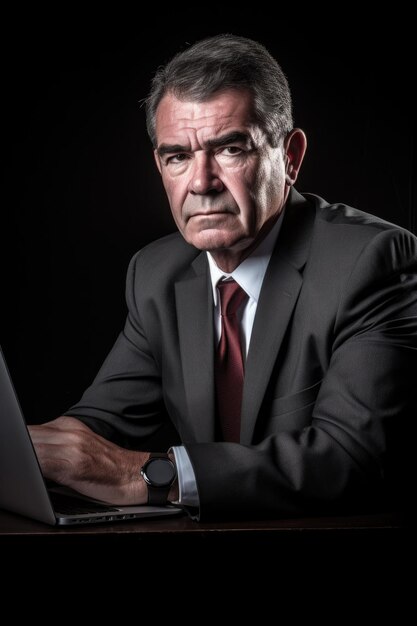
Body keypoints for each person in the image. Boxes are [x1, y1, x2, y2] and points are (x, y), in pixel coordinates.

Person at [29, 34, 417, 520]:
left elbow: (349, 458)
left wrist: (141, 476)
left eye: (231, 149)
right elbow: (94, 431)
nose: (201, 182)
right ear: (160, 165)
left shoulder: (371, 261)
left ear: (291, 156)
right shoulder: (155, 273)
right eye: (178, 156)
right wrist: (23, 453)